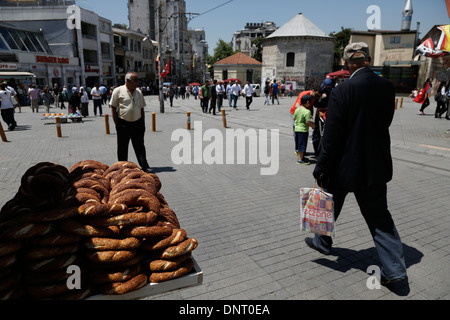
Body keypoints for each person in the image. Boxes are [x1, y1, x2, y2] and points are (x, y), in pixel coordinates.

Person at [308, 42, 407, 286]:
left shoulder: (343, 90)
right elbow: (385, 122)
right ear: (369, 59)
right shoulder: (386, 87)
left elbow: (331, 136)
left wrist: (320, 167)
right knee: (380, 218)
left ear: (345, 63)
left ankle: (322, 241)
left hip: (342, 167)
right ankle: (395, 272)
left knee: (329, 205)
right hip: (374, 166)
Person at [110, 72, 153, 174]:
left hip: (137, 124)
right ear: (128, 81)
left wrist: (142, 123)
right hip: (123, 124)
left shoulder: (139, 92)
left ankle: (144, 166)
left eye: (138, 80)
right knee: (122, 147)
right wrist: (117, 123)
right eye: (135, 80)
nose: (137, 83)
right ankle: (122, 168)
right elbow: (113, 107)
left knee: (140, 147)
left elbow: (142, 108)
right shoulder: (118, 91)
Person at [294, 95, 315, 165]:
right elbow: (308, 122)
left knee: (299, 144)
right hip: (303, 130)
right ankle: (300, 159)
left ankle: (302, 157)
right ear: (307, 102)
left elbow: (294, 118)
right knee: (302, 144)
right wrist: (313, 126)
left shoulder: (297, 109)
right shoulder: (307, 111)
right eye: (309, 103)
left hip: (296, 129)